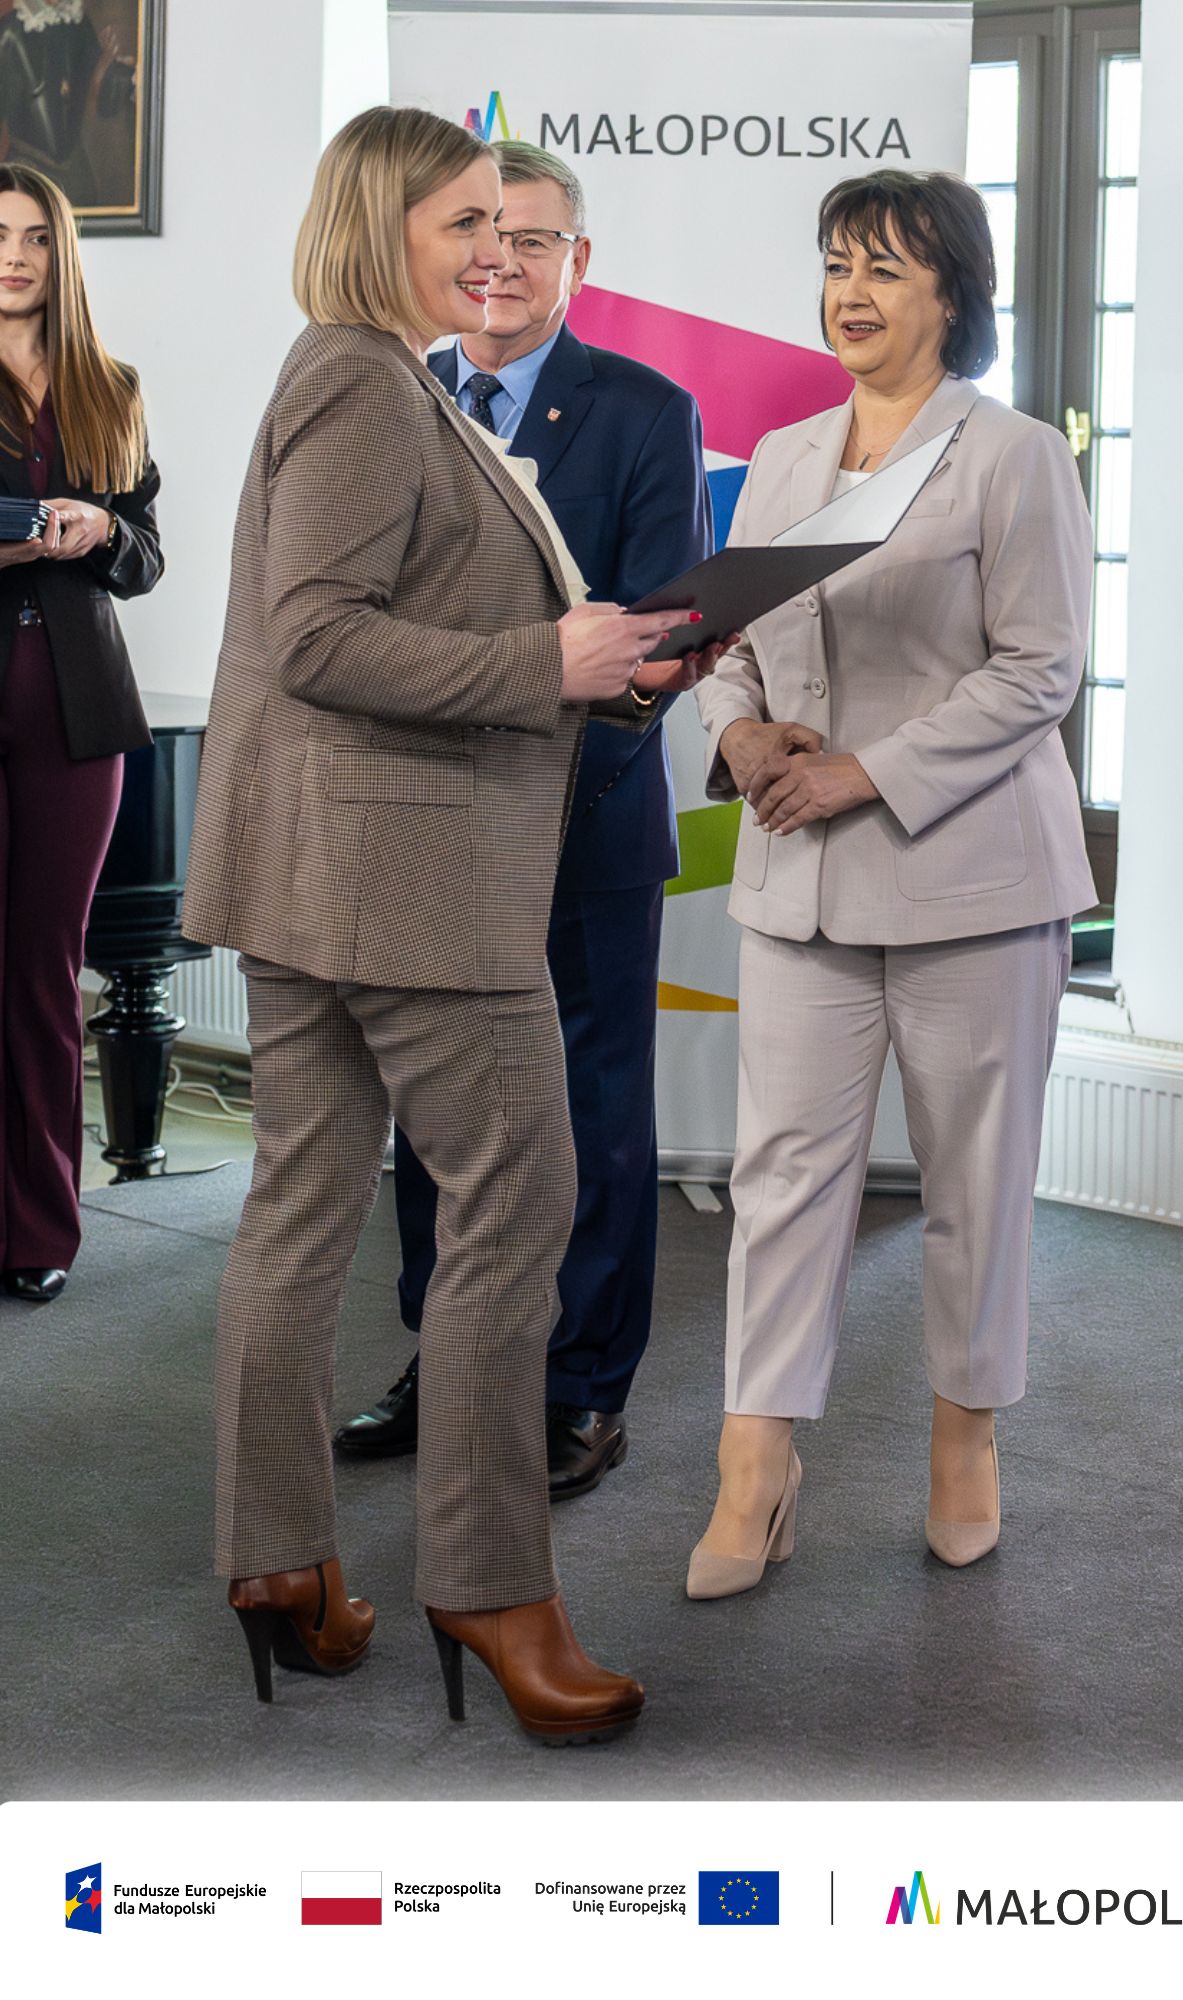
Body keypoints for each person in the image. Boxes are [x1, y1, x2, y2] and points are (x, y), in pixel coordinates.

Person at [181, 107, 716, 1741]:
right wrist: (545, 663)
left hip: (325, 874)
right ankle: (489, 1585)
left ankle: (278, 1560)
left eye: (511, 221)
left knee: (298, 1215)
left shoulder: (366, 372)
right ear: (378, 224)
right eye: (463, 219)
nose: (497, 247)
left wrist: (597, 659)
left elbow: (370, 623)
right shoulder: (360, 379)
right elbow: (320, 636)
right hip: (410, 887)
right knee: (515, 1213)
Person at [687, 169, 1096, 1598]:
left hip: (967, 880)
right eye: (835, 264)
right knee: (782, 1181)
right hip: (798, 878)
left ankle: (965, 1437)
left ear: (951, 295)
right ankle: (755, 1466)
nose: (848, 293)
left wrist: (866, 772)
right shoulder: (783, 455)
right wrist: (737, 733)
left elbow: (1039, 668)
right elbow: (729, 642)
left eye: (883, 268)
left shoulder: (1012, 454)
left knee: (973, 1178)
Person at [334, 140, 711, 1502]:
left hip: (583, 820)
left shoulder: (645, 409)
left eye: (533, 238)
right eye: (479, 232)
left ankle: (580, 1384)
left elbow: (666, 626)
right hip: (431, 823)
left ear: (578, 260)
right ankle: (447, 1359)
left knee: (589, 1112)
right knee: (436, 1112)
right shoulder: (399, 391)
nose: (498, 260)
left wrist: (563, 735)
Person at [0, 162, 162, 1307]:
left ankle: (39, 1228)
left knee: (47, 973)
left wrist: (101, 527)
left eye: (33, 238)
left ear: (62, 253)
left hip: (78, 708)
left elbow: (146, 557)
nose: (13, 257)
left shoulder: (112, 386)